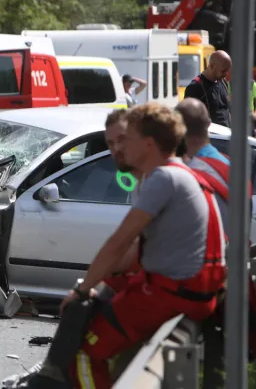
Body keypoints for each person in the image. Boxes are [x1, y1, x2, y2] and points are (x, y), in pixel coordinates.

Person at [60, 102, 226, 389]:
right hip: (194, 291)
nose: (122, 148)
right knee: (103, 305)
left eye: (129, 139)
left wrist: (81, 289)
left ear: (148, 144)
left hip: (172, 292)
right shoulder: (181, 173)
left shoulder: (162, 178)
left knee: (85, 352)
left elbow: (119, 242)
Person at [184, 49, 232, 127]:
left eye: (227, 71)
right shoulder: (195, 88)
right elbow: (188, 120)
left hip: (226, 136)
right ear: (212, 66)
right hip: (211, 137)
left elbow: (227, 111)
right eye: (223, 71)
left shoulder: (223, 82)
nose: (226, 74)